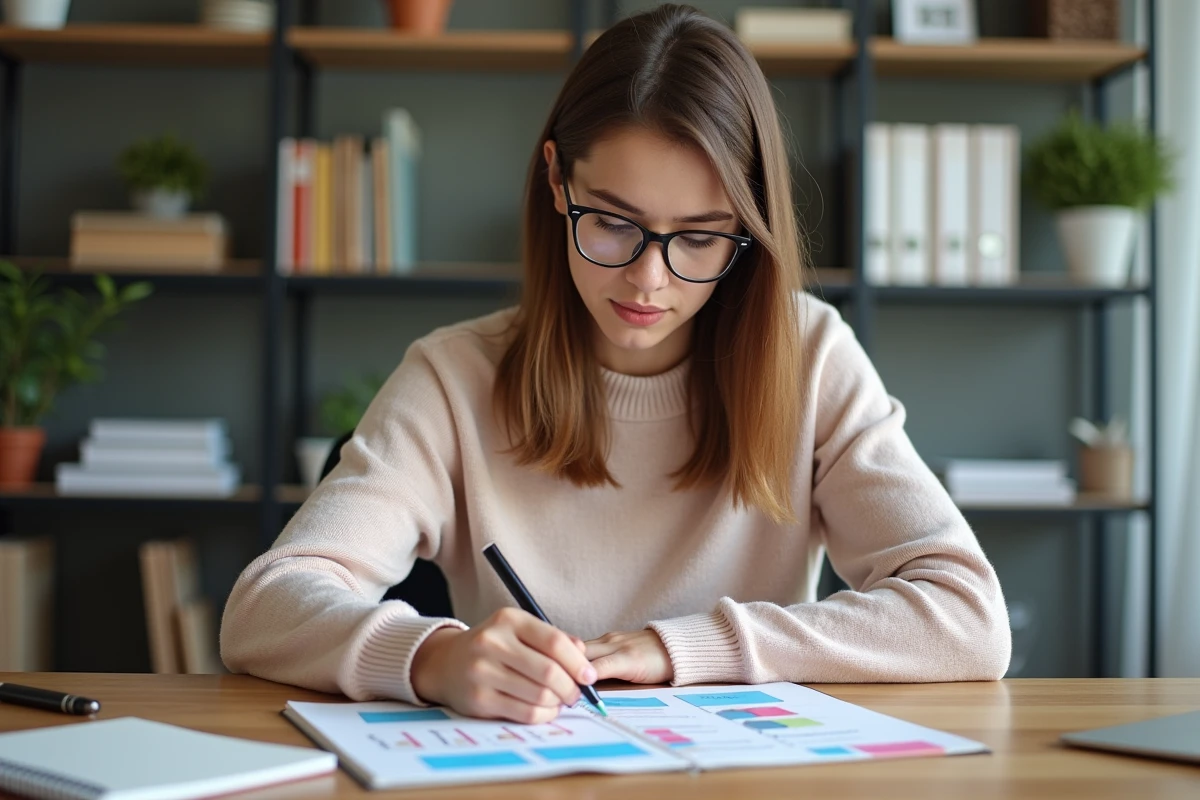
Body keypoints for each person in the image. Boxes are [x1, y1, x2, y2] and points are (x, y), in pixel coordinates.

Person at [221, 3, 1010, 725]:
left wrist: (687, 648)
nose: (649, 279)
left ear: (749, 228)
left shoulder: (810, 359)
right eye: (612, 222)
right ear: (557, 179)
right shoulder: (452, 379)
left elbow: (968, 618)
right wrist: (427, 657)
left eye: (700, 237)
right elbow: (264, 608)